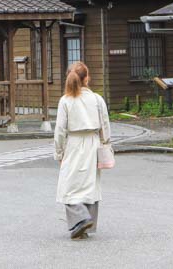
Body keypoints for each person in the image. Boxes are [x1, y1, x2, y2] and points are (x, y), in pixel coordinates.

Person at [54, 61, 111, 240]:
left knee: (68, 186)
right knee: (90, 184)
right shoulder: (97, 99)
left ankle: (81, 219)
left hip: (73, 143)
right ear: (87, 78)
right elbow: (105, 125)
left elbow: (60, 130)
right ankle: (86, 225)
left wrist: (59, 153)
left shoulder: (66, 100)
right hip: (93, 143)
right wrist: (105, 143)